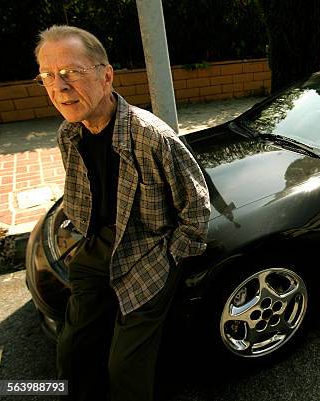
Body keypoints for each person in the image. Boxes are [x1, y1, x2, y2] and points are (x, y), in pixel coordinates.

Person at [34, 25, 210, 401]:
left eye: (71, 72)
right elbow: (80, 191)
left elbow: (196, 208)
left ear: (106, 75)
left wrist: (171, 255)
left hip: (148, 252)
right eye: (48, 76)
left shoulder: (152, 136)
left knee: (125, 367)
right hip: (97, 247)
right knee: (73, 348)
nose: (59, 87)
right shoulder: (69, 133)